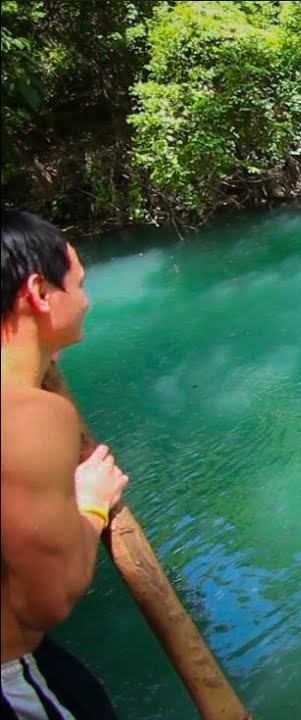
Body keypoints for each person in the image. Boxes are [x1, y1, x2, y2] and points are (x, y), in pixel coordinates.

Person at [2, 210, 129, 719]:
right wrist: (92, 505)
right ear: (39, 291)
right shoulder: (29, 415)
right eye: (78, 284)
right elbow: (47, 601)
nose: (86, 300)